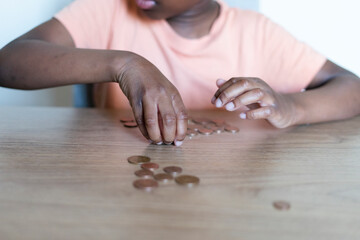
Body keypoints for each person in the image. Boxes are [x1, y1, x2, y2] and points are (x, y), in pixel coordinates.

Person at [0, 0, 359, 147]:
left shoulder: (258, 32)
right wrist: (124, 63)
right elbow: (8, 61)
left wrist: (291, 107)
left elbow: (352, 87)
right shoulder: (108, 9)